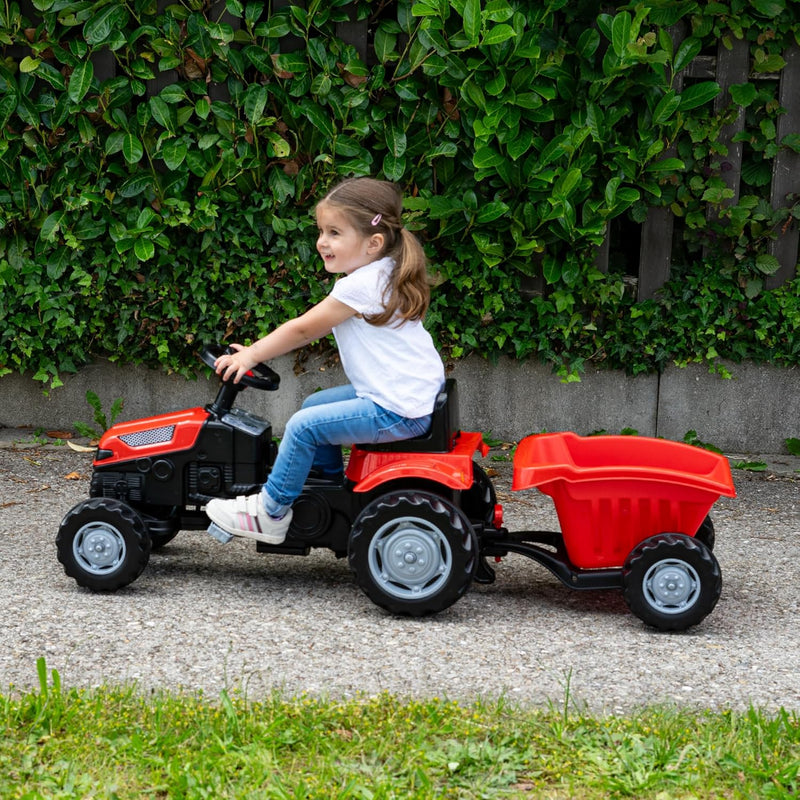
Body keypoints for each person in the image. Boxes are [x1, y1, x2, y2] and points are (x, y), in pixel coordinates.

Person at [206, 177, 445, 545]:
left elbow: (302, 330)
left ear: (373, 242)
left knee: (303, 426)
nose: (322, 242)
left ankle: (270, 513)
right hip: (407, 396)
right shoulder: (387, 267)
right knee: (315, 405)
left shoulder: (359, 286)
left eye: (334, 232)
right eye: (321, 231)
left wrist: (251, 354)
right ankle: (328, 486)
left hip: (395, 408)